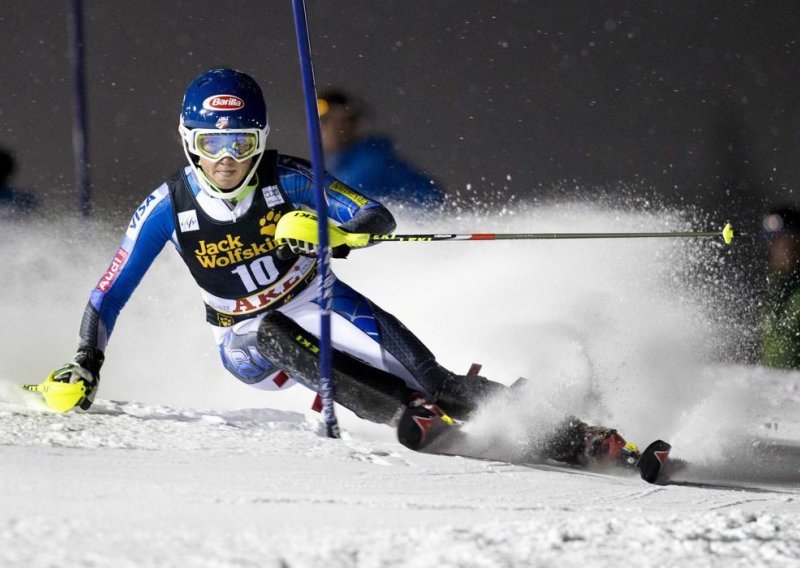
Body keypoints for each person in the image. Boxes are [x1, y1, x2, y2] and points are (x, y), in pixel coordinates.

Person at [43, 68, 633, 469]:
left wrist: (335, 233)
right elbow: (109, 292)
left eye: (242, 144)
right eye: (211, 144)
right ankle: (404, 412)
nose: (226, 161)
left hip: (317, 296)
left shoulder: (290, 177)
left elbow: (376, 215)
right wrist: (85, 365)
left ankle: (580, 438)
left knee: (440, 381)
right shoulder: (166, 207)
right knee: (271, 332)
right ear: (187, 140)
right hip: (244, 337)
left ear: (261, 139)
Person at [317, 89, 445, 208]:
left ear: (346, 122)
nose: (320, 129)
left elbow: (341, 210)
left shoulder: (369, 165)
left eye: (326, 121)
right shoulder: (341, 165)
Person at [759, 207, 800, 369]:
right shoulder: (775, 289)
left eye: (786, 241)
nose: (780, 249)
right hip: (778, 388)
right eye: (774, 242)